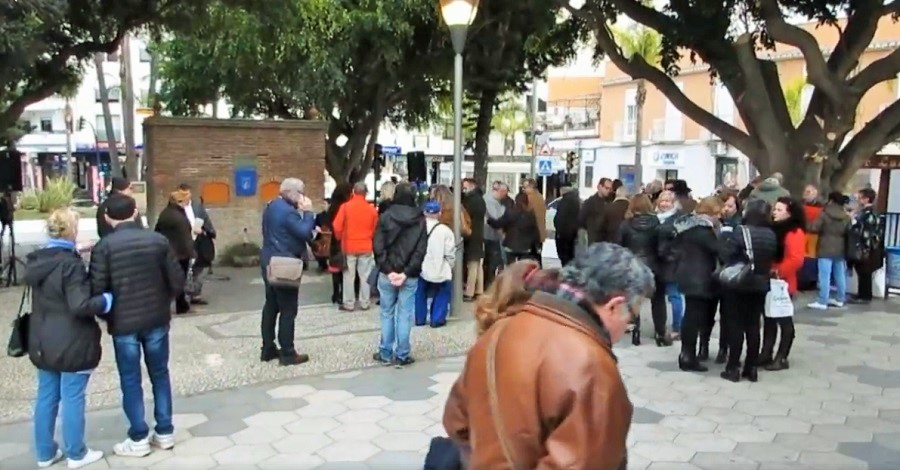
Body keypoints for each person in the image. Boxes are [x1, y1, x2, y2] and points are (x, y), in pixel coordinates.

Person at [442, 244, 654, 469]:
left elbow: (456, 421)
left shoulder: (498, 331)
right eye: (631, 317)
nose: (627, 327)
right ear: (614, 306)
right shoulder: (594, 368)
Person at [89, 195, 184, 457]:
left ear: (107, 217)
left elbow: (97, 291)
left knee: (130, 379)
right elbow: (177, 281)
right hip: (156, 318)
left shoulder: (104, 247)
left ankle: (139, 436)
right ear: (135, 213)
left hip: (123, 322)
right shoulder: (158, 241)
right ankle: (164, 431)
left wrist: (109, 315)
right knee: (160, 374)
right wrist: (163, 302)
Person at [27, 208, 112, 469]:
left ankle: (45, 453)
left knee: (46, 396)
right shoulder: (71, 266)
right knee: (73, 396)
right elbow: (80, 304)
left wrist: (75, 251)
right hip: (72, 339)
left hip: (42, 339)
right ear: (72, 231)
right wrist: (106, 300)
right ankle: (76, 453)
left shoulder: (38, 261)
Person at [717, 200, 777, 383]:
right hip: (760, 282)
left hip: (739, 282)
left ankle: (733, 366)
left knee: (735, 324)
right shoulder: (770, 234)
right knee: (753, 325)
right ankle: (751, 367)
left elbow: (726, 254)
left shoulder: (741, 231)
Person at [259, 178, 317, 365]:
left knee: (271, 305)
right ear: (293, 193)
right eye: (301, 193)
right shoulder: (288, 212)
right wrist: (308, 213)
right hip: (284, 263)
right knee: (288, 309)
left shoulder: (271, 206)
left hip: (268, 259)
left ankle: (268, 348)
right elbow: (304, 232)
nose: (303, 197)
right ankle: (287, 352)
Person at [372, 182, 428, 366]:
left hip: (387, 272)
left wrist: (388, 270)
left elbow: (378, 245)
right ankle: (402, 353)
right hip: (409, 274)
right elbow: (420, 251)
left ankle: (385, 352)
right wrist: (406, 272)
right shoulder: (420, 219)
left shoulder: (386, 216)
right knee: (405, 314)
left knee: (386, 312)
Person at [671, 196, 722, 372]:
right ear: (710, 212)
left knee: (690, 316)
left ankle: (686, 354)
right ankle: (688, 356)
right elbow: (719, 250)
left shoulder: (687, 226)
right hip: (699, 277)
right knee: (694, 318)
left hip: (687, 274)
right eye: (717, 213)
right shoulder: (704, 230)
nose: (719, 217)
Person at [617, 194, 671, 346]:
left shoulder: (626, 225)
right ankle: (660, 333)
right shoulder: (657, 224)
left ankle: (636, 332)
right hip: (655, 267)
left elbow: (619, 247)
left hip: (633, 267)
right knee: (658, 300)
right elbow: (661, 249)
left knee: (635, 300)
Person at [760, 196, 804, 372]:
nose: (775, 213)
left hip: (783, 282)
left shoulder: (794, 232)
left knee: (784, 320)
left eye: (779, 210)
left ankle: (782, 356)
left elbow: (796, 259)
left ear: (789, 213)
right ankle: (766, 352)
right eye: (775, 209)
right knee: (769, 319)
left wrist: (778, 271)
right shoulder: (773, 229)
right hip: (770, 280)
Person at [333, 182, 378, 311]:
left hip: (349, 246)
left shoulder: (345, 207)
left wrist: (340, 238)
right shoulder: (371, 210)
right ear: (366, 193)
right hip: (366, 246)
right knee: (365, 276)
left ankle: (349, 303)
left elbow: (336, 226)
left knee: (348, 276)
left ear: (353, 191)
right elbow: (375, 228)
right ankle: (365, 302)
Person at [154, 188, 196, 314]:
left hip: (169, 251)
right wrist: (191, 253)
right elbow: (185, 237)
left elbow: (157, 231)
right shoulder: (178, 217)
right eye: (185, 201)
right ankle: (181, 305)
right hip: (180, 253)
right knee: (179, 279)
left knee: (171, 278)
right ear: (179, 202)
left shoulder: (166, 213)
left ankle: (180, 304)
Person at [807, 191, 851, 310]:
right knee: (840, 274)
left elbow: (814, 228)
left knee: (824, 275)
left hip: (825, 246)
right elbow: (849, 231)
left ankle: (822, 300)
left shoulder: (824, 214)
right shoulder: (846, 216)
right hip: (841, 247)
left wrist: (807, 224)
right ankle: (840, 299)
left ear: (830, 200)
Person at [416, 200, 455, 328]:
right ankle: (437, 319)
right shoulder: (445, 231)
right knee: (443, 291)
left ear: (424, 212)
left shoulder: (417, 228)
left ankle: (420, 318)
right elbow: (450, 252)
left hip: (421, 266)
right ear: (439, 213)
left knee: (420, 292)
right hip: (441, 266)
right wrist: (450, 265)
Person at [177, 183, 216, 306]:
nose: (185, 196)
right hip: (184, 242)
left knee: (200, 267)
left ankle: (196, 294)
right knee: (185, 268)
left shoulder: (197, 206)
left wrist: (209, 231)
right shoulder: (176, 209)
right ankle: (184, 294)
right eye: (182, 194)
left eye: (187, 194)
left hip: (199, 240)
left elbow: (206, 220)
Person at [849, 188, 885, 304]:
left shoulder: (867, 214)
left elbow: (865, 231)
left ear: (866, 199)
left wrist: (853, 221)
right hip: (870, 247)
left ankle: (864, 296)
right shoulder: (870, 212)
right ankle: (863, 294)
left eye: (860, 197)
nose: (858, 200)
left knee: (864, 272)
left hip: (866, 248)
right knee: (863, 272)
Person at [656, 190, 683, 338]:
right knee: (661, 297)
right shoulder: (655, 218)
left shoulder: (676, 220)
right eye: (662, 201)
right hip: (659, 263)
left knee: (674, 296)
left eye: (668, 201)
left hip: (671, 263)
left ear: (673, 203)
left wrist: (669, 255)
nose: (664, 204)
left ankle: (677, 327)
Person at [489, 192, 541, 265]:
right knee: (523, 267)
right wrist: (537, 244)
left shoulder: (511, 212)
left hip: (510, 245)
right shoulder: (530, 215)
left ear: (516, 201)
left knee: (510, 265)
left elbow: (499, 223)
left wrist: (489, 220)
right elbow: (535, 232)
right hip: (526, 247)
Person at [461, 178, 486, 301]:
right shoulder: (480, 199)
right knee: (477, 264)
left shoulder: (470, 201)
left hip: (471, 233)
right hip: (479, 234)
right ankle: (479, 290)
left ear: (471, 186)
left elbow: (465, 216)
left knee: (472, 264)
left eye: (465, 187)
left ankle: (469, 292)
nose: (463, 190)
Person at [483, 182, 509, 287]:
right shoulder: (490, 201)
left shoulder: (494, 200)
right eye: (504, 192)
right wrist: (505, 209)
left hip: (491, 235)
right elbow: (496, 217)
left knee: (493, 261)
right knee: (493, 261)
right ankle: (490, 284)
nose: (505, 195)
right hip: (490, 235)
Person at [553, 186, 581, 266]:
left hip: (564, 234)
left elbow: (559, 218)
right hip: (573, 233)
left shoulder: (565, 201)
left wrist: (558, 230)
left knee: (564, 256)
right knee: (570, 255)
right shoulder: (577, 201)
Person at [579, 177, 612, 244]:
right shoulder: (590, 202)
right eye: (606, 188)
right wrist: (591, 227)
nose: (608, 191)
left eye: (610, 189)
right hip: (594, 239)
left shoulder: (610, 201)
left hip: (606, 239)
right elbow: (581, 219)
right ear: (600, 186)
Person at [521, 178, 547, 243]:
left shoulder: (530, 197)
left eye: (525, 187)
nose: (523, 189)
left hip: (532, 232)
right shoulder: (539, 196)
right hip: (539, 232)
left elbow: (527, 212)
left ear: (531, 186)